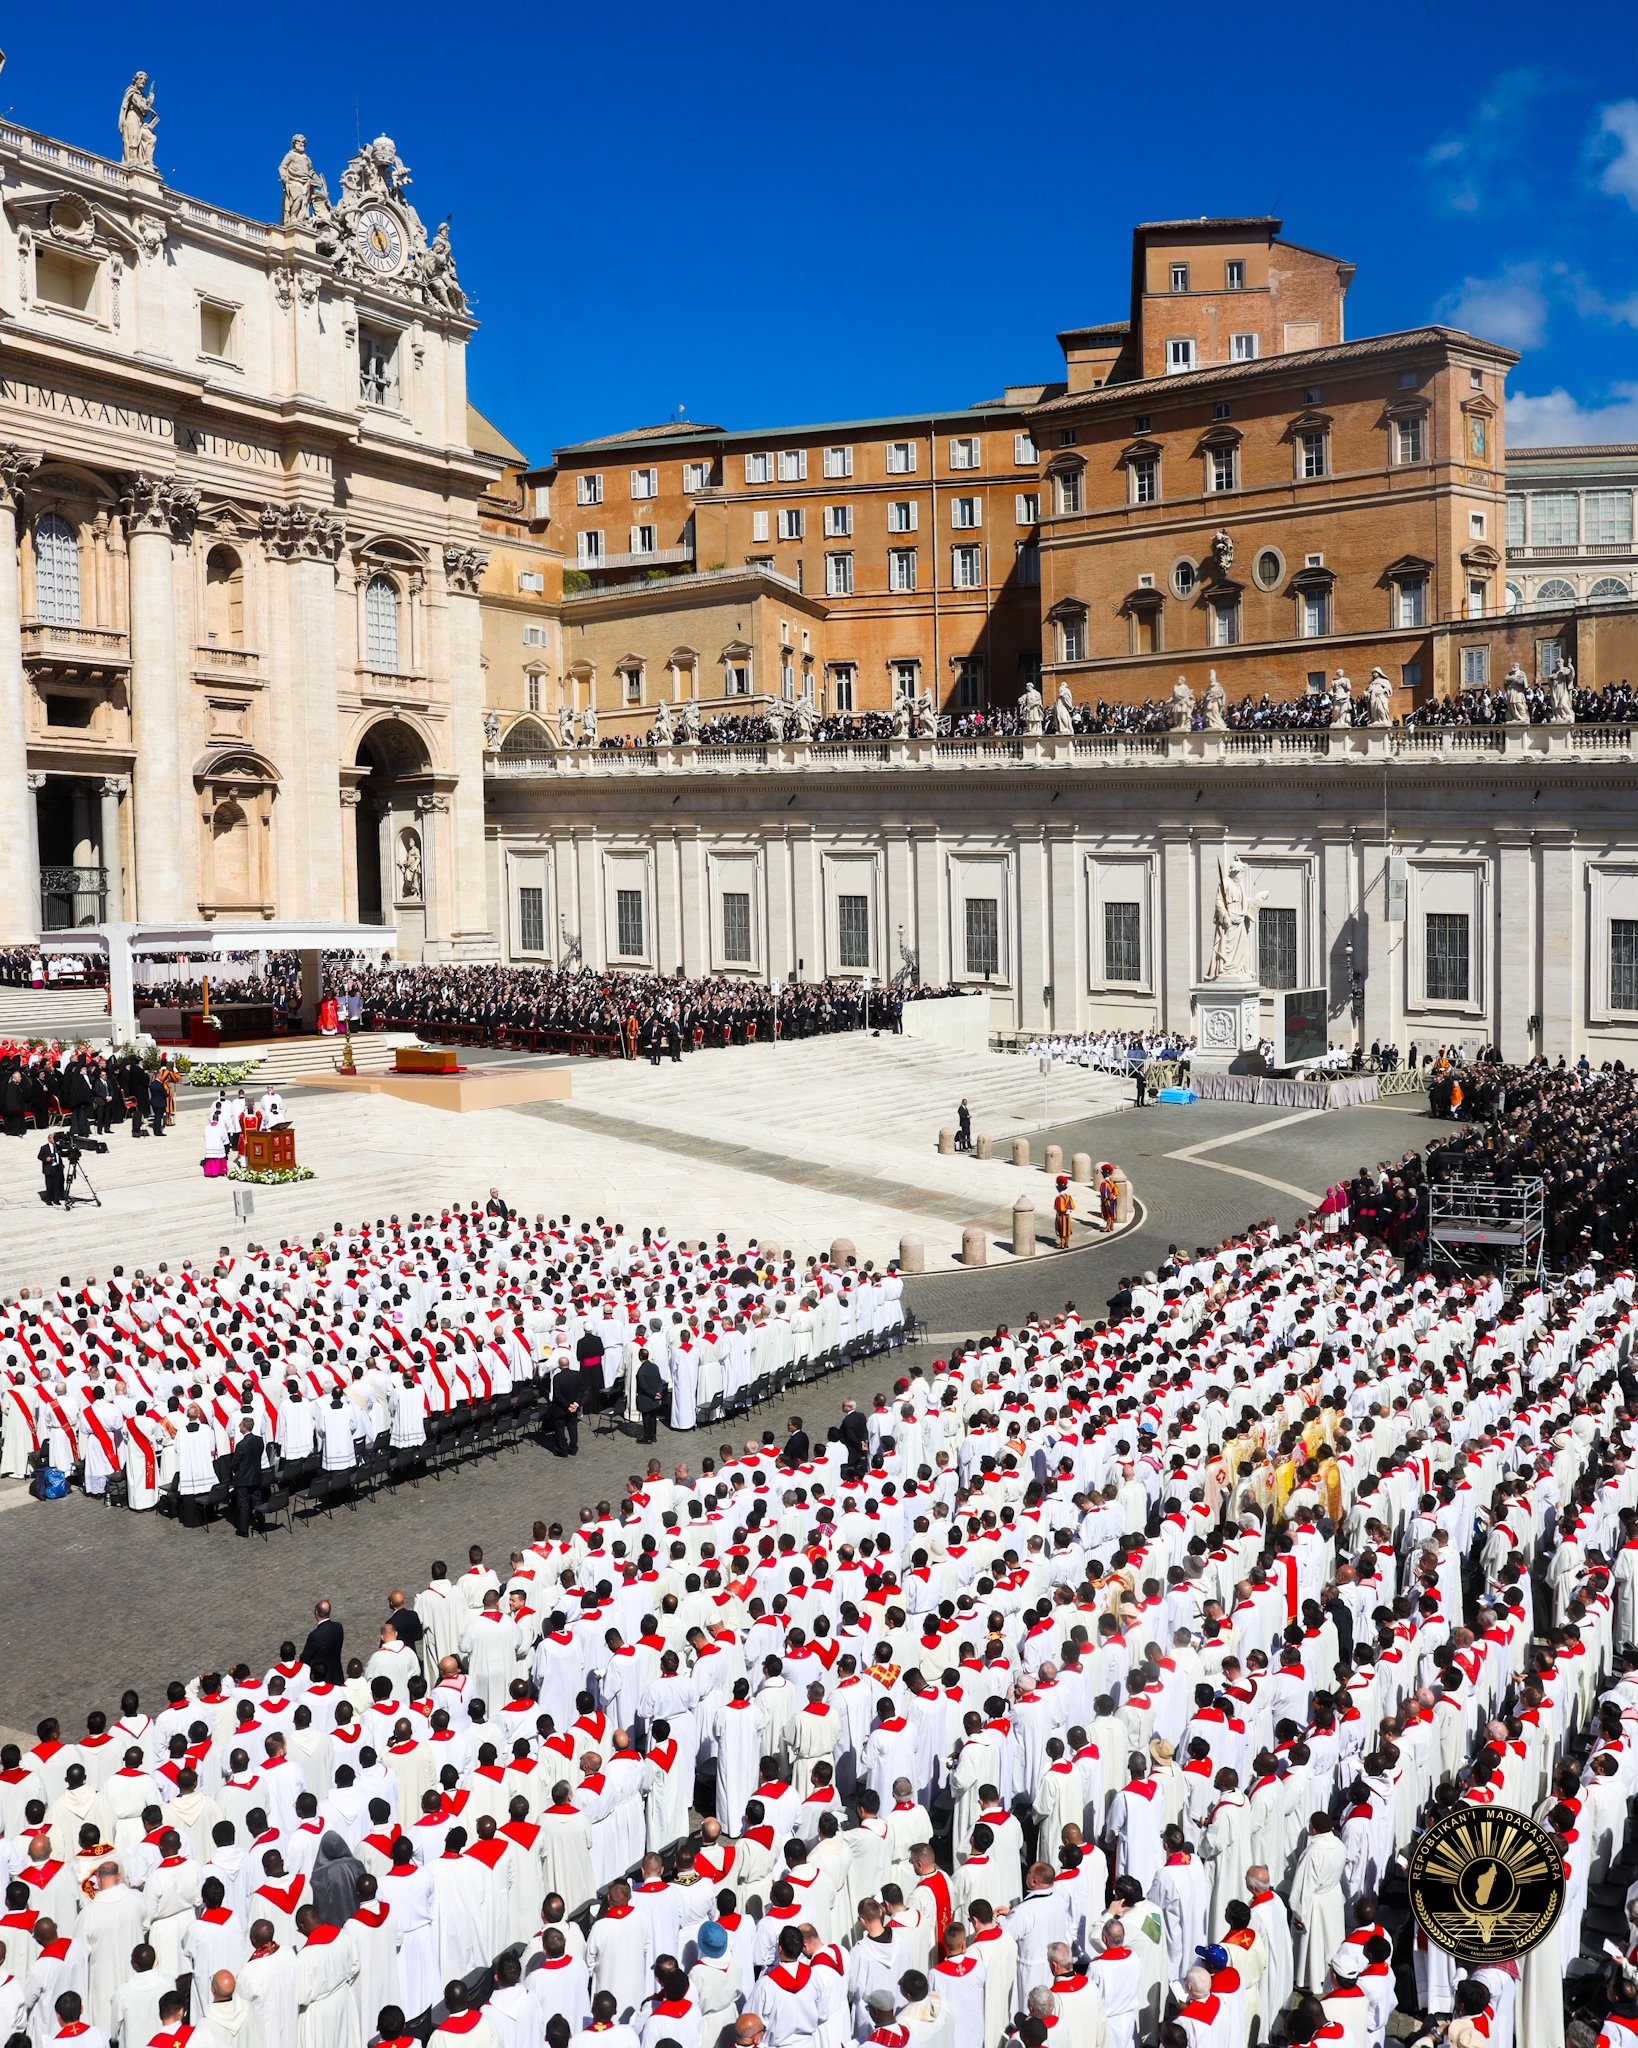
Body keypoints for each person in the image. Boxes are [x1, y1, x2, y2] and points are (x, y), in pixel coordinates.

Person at [227, 1419, 263, 1540]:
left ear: (245, 1428)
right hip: (256, 1476)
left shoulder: (241, 1445)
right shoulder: (259, 1440)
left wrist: (235, 1470)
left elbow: (235, 1463)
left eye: (240, 1425)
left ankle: (243, 1529)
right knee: (257, 1500)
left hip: (243, 1478)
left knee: (244, 1504)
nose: (238, 1426)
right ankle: (260, 1524)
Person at [299, 1603, 344, 1686]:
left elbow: (305, 1658)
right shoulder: (338, 1627)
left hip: (323, 1678)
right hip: (337, 1675)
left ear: (316, 1613)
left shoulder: (315, 1635)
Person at [1052, 1177, 1075, 1251]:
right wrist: (1068, 1210)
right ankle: (1067, 1243)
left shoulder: (1058, 1198)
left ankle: (1062, 1244)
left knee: (1061, 1229)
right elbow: (1073, 1206)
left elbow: (1060, 1208)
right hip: (1067, 1215)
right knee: (1068, 1229)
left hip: (1061, 1216)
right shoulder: (1068, 1196)